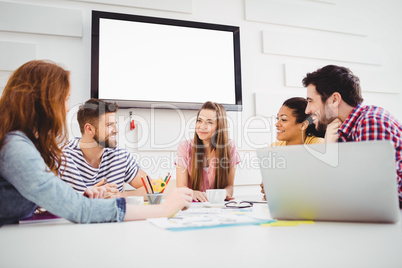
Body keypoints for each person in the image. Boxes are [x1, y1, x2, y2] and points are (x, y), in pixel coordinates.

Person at [0, 60, 192, 226]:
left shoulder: (21, 143)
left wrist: (87, 196)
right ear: (42, 102)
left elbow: (53, 198)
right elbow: (79, 210)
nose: (67, 108)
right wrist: (165, 209)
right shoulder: (17, 148)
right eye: (65, 100)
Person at [302, 64, 402, 206]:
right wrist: (329, 146)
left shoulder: (371, 122)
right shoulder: (342, 130)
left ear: (334, 99)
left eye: (310, 101)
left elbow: (375, 194)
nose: (307, 110)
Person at [59, 98, 147, 199]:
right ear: (89, 129)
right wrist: (87, 198)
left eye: (115, 124)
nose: (116, 131)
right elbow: (46, 200)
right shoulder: (61, 157)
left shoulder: (120, 156)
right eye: (109, 125)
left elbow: (153, 188)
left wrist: (120, 196)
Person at [260, 97, 325, 199]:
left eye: (284, 119)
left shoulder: (318, 145)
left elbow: (316, 188)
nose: (277, 124)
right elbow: (267, 190)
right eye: (278, 119)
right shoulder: (274, 148)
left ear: (303, 125)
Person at [176, 101, 241, 202]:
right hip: (192, 208)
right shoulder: (185, 147)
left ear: (219, 127)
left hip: (218, 207)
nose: (202, 126)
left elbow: (229, 187)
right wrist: (193, 193)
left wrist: (223, 194)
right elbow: (181, 188)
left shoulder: (230, 147)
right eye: (199, 120)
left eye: (209, 122)